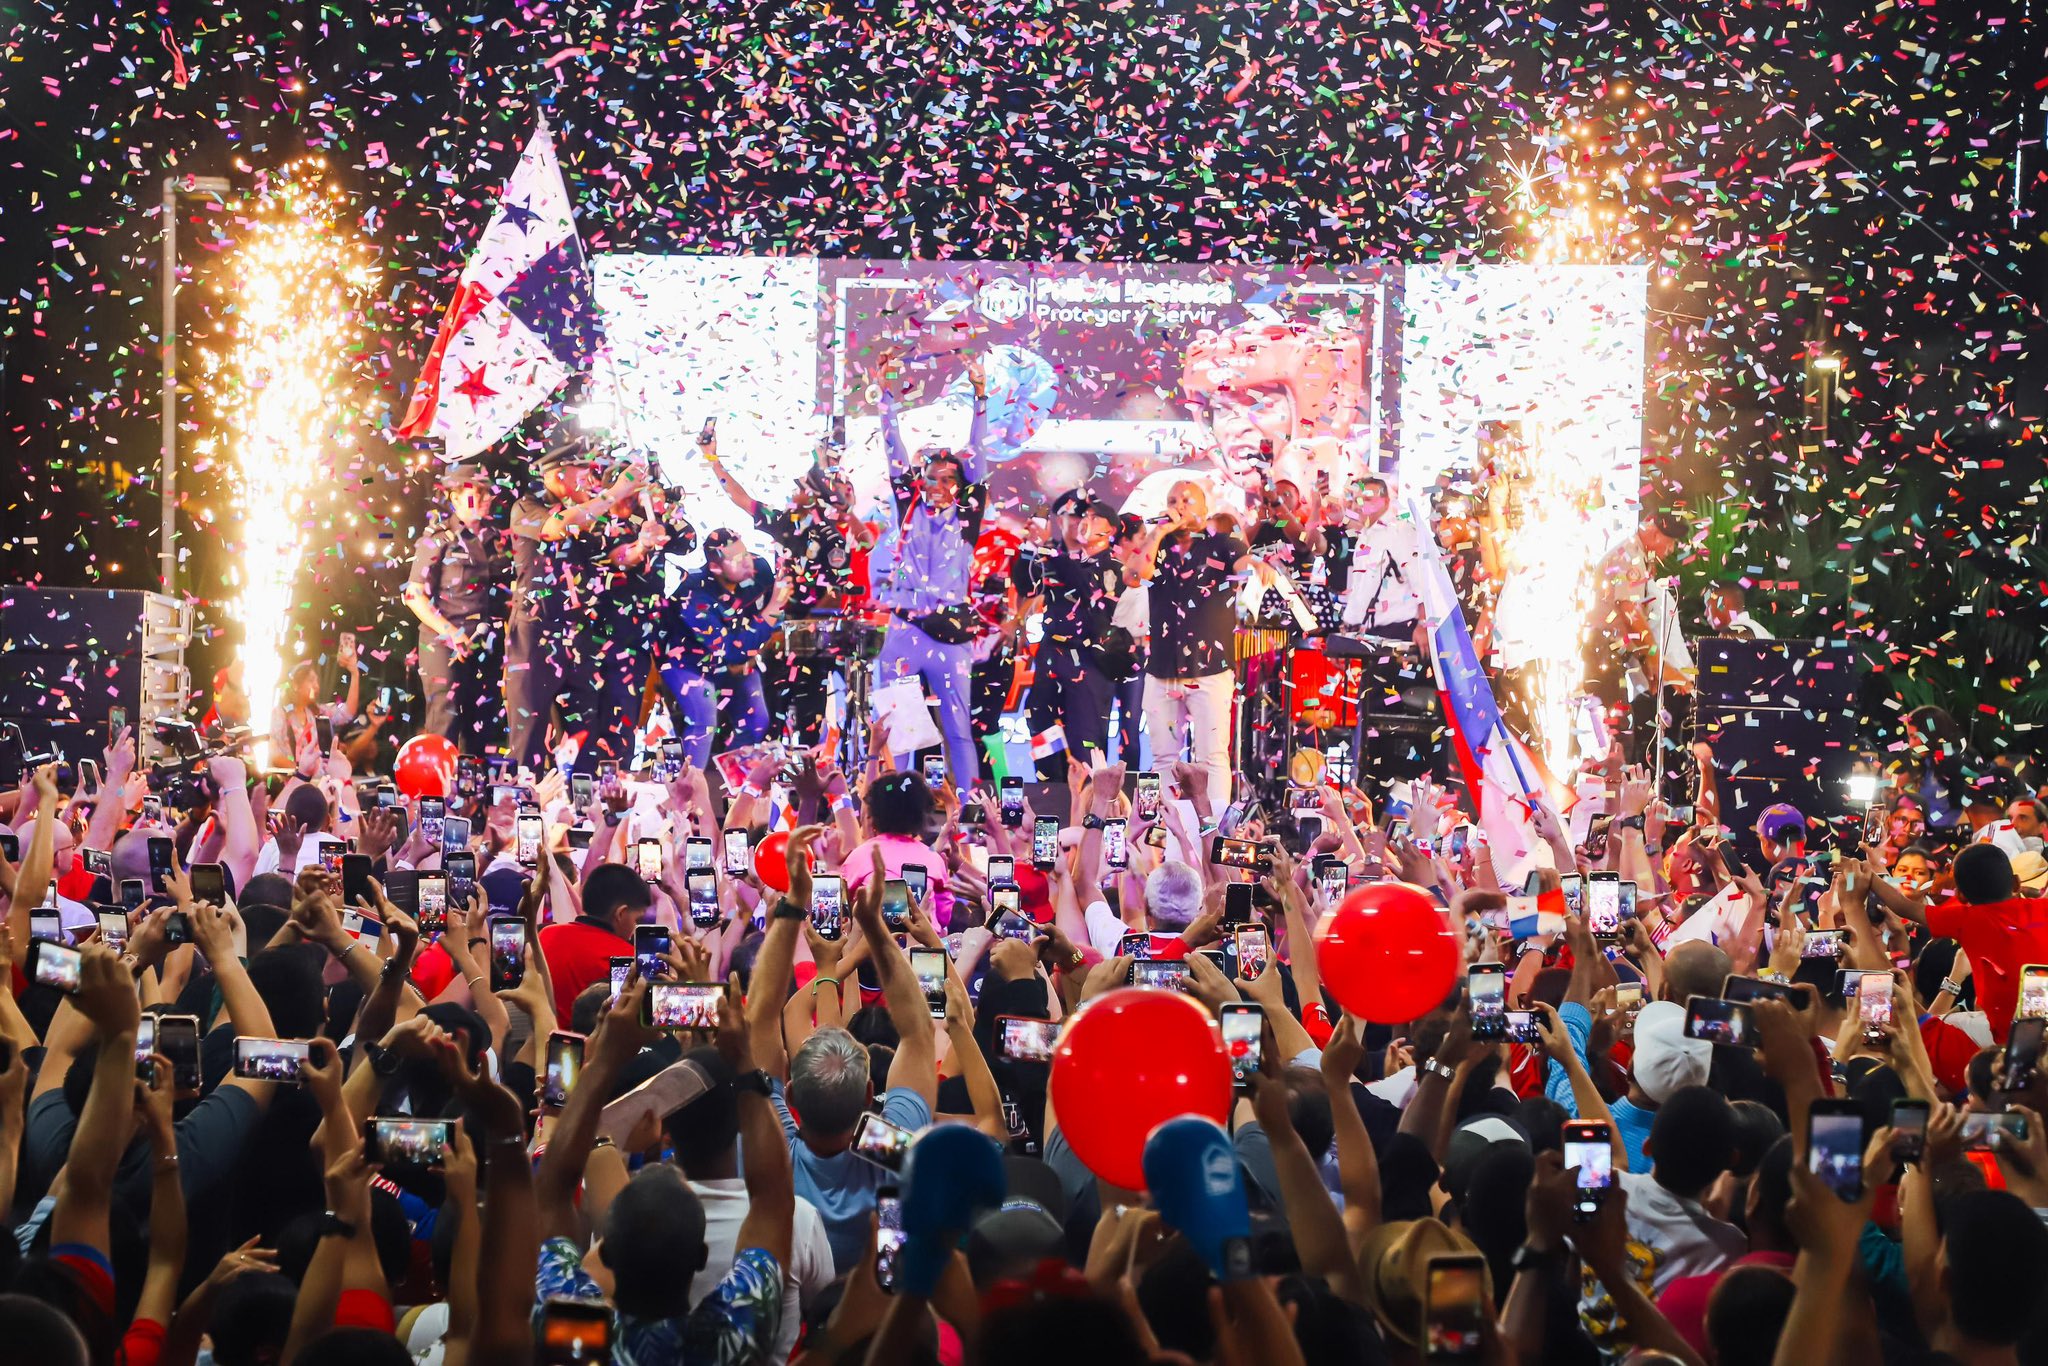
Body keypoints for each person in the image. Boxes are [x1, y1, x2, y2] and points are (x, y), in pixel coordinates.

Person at [505, 437, 687, 774]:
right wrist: (615, 492)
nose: (590, 480)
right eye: (582, 472)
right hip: (536, 631)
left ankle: (582, 814)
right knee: (529, 733)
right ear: (559, 476)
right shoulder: (527, 507)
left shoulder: (591, 516)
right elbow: (557, 527)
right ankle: (518, 815)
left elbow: (617, 557)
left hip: (581, 634)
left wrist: (643, 546)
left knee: (585, 733)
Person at [704, 434, 876, 746]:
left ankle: (808, 783)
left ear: (815, 497)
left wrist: (802, 626)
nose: (793, 494)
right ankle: (764, 780)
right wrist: (713, 461)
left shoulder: (830, 539)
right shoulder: (783, 523)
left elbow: (835, 594)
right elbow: (741, 499)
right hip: (779, 635)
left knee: (809, 717)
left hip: (812, 641)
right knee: (771, 713)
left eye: (800, 489)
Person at [869, 350, 990, 789]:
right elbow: (892, 447)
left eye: (948, 479)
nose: (937, 485)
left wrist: (980, 397)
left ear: (960, 487)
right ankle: (894, 808)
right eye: (931, 477)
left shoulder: (967, 515)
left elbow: (979, 452)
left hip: (951, 633)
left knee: (957, 729)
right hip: (904, 630)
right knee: (900, 731)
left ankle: (970, 809)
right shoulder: (908, 506)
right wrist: (886, 395)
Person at [1134, 479, 1272, 805]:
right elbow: (1136, 574)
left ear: (1204, 510)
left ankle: (1214, 837)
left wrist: (1255, 566)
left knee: (1212, 757)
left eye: (1186, 499)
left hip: (1209, 668)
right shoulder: (1159, 546)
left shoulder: (1221, 544)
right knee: (1164, 759)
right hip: (1163, 669)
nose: (1178, 505)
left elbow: (1242, 563)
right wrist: (1157, 532)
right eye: (1172, 499)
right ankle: (1165, 836)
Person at [657, 528, 793, 768]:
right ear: (716, 567)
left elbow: (762, 626)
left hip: (735, 662)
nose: (747, 563)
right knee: (703, 720)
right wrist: (774, 606)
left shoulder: (759, 569)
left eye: (746, 554)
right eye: (736, 559)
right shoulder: (694, 594)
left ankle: (732, 785)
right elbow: (731, 651)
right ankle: (688, 790)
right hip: (686, 662)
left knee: (757, 719)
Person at [402, 462, 510, 754]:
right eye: (479, 491)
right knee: (445, 719)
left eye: (489, 492)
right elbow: (413, 596)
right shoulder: (437, 539)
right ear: (456, 497)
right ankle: (437, 795)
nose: (487, 497)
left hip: (482, 644)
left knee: (481, 727)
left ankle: (473, 795)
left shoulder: (496, 540)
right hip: (443, 643)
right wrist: (451, 632)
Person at [1016, 492, 1125, 779]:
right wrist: (1029, 546)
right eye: (1072, 516)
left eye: (1089, 516)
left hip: (1090, 658)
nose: (1079, 523)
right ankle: (1049, 791)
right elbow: (1026, 585)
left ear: (1109, 529)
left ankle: (1091, 806)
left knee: (1085, 737)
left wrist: (1055, 553)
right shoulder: (1054, 557)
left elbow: (1088, 588)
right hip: (1052, 652)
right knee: (1040, 720)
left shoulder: (1112, 566)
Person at [269, 645, 360, 768]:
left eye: (317, 681)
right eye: (311, 681)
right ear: (296, 685)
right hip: (292, 783)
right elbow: (274, 755)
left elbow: (348, 712)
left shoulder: (318, 712)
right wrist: (301, 775)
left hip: (318, 782)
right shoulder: (279, 714)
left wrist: (355, 673)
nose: (316, 686)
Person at [1702, 583, 1774, 641]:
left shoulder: (1731, 634)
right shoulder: (1759, 629)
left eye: (1708, 606)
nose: (1705, 613)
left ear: (1721, 604)